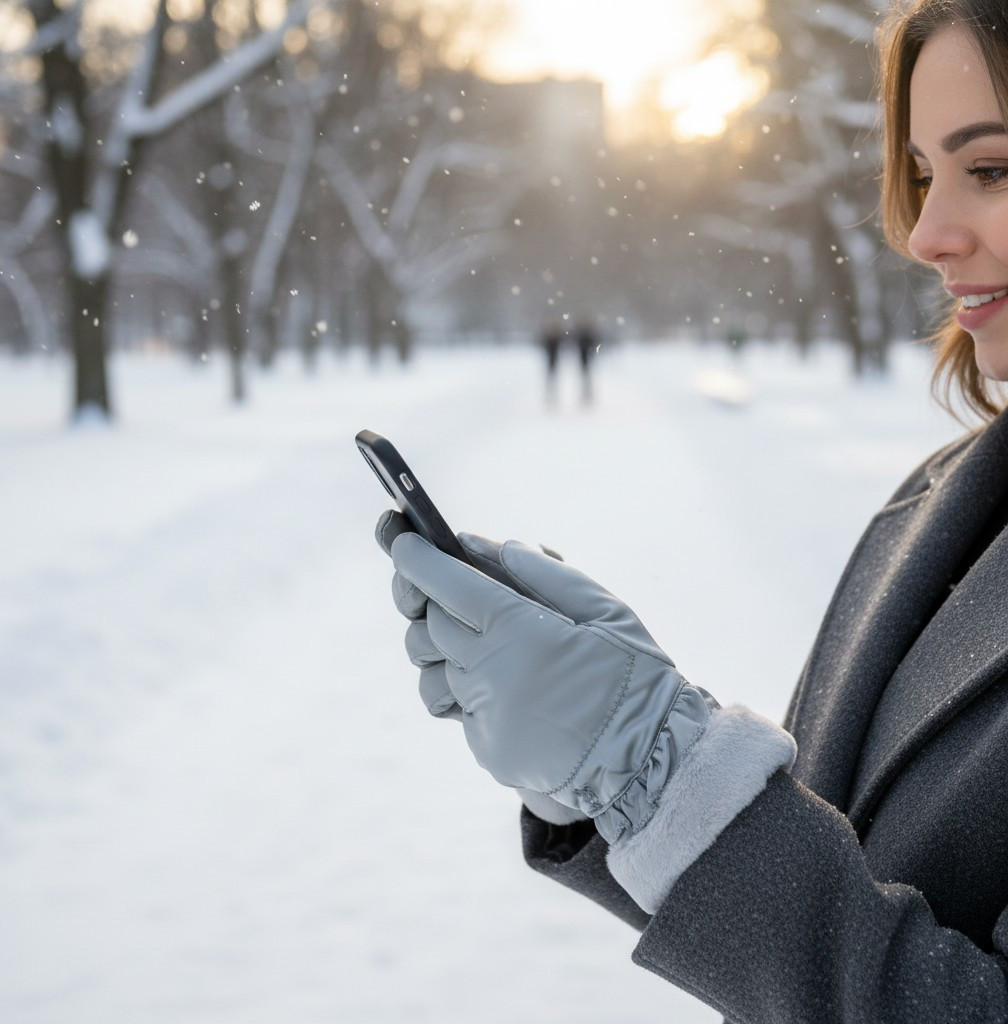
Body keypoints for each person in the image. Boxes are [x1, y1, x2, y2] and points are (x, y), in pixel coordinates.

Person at [372, 1, 1008, 1019]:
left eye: (991, 169)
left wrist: (652, 769)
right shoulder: (942, 498)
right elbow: (845, 902)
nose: (924, 234)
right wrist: (610, 775)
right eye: (924, 175)